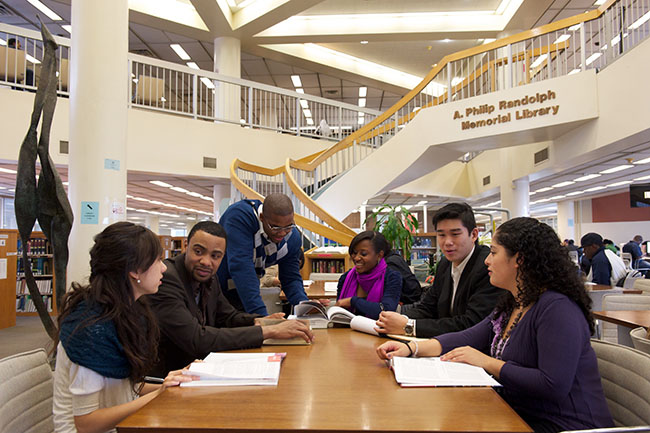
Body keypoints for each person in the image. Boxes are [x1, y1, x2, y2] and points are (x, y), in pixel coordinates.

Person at [377, 217, 614, 433]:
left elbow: (553, 385)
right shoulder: (514, 301)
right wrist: (411, 349)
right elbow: (468, 337)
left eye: (494, 252)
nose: (487, 261)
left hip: (563, 425)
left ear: (519, 259)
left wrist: (487, 362)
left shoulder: (557, 309)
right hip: (517, 413)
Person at [53, 222, 196, 433]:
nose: (164, 267)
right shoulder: (91, 331)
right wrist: (158, 394)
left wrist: (171, 386)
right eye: (157, 260)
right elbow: (86, 424)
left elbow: (126, 387)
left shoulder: (125, 311)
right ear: (135, 271)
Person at [148, 221, 313, 375]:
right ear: (186, 246)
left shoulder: (209, 277)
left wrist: (259, 321)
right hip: (168, 378)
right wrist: (268, 331)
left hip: (198, 370)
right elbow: (197, 339)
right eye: (198, 252)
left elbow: (228, 317)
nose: (206, 261)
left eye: (215, 256)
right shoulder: (166, 279)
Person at [375, 202, 503, 337]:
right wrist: (390, 317)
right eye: (441, 235)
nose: (447, 242)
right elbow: (428, 307)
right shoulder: (445, 264)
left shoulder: (487, 267)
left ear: (474, 234)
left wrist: (409, 327)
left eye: (455, 234)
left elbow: (470, 323)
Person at [217, 193, 308, 315]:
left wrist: (305, 307)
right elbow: (241, 268)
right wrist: (261, 317)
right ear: (262, 218)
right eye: (275, 227)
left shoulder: (292, 238)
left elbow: (291, 279)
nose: (282, 233)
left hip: (242, 292)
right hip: (216, 289)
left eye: (288, 226)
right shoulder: (240, 216)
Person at [335, 231, 402, 319]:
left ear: (379, 255)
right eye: (354, 253)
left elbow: (386, 311)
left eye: (363, 254)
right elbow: (339, 312)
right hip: (347, 331)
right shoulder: (346, 278)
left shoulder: (392, 278)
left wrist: (353, 301)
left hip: (376, 330)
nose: (356, 258)